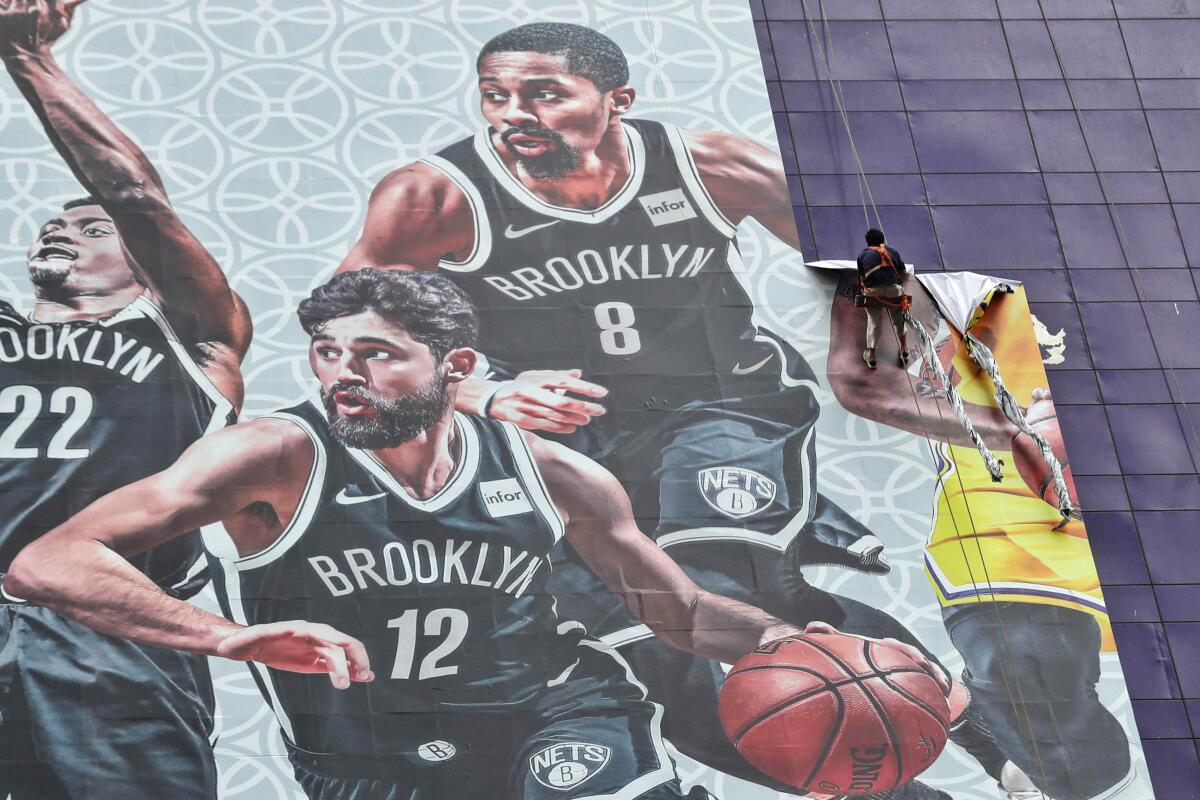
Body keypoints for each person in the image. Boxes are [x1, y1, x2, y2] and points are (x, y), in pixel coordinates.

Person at [336, 22, 1002, 799]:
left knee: (713, 573)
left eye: (543, 94)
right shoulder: (435, 196)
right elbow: (345, 326)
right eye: (495, 95)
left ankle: (968, 723)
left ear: (616, 101)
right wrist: (482, 392)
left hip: (725, 404)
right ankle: (898, 784)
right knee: (653, 654)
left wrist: (864, 357)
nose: (512, 113)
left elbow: (870, 256)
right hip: (565, 435)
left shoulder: (709, 166)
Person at [6, 270, 951, 800]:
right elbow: (47, 559)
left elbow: (685, 614)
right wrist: (221, 635)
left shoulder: (550, 472)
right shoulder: (269, 456)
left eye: (375, 354)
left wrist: (791, 642)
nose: (343, 374)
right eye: (328, 353)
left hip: (548, 710)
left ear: (454, 367)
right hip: (363, 761)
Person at [0, 1, 252, 798]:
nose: (64, 228)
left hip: (115, 628)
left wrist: (27, 57)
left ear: (144, 264)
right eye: (54, 221)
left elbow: (133, 194)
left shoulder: (195, 336)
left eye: (90, 226)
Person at [828, 272, 1139, 800]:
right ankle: (1048, 775)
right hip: (1010, 503)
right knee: (1024, 667)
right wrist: (1014, 429)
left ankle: (1023, 756)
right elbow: (863, 379)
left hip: (1148, 484)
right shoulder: (947, 277)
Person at [855, 228, 908, 370]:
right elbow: (903, 273)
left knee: (873, 323)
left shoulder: (862, 256)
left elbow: (862, 279)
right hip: (894, 290)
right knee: (899, 320)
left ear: (867, 242)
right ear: (882, 240)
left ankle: (872, 357)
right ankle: (904, 350)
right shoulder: (892, 252)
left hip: (874, 293)